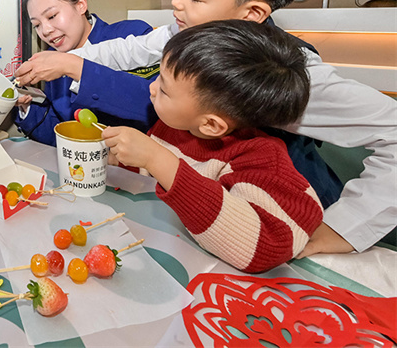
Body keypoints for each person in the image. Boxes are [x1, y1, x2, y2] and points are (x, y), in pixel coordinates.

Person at [17, 0, 397, 257]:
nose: (177, 4)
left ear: (252, 13)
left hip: (287, 220)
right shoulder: (191, 32)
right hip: (219, 214)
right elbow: (126, 51)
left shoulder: (294, 76)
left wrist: (343, 229)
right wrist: (65, 61)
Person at [104, 20, 324, 273]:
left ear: (211, 124)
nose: (151, 89)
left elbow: (264, 248)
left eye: (164, 89)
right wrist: (119, 158)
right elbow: (150, 184)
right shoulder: (175, 127)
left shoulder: (260, 160)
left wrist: (157, 159)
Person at [13, 0, 158, 146]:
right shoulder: (54, 59)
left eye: (52, 16)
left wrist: (75, 67)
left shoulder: (133, 36)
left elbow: (153, 108)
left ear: (81, 5)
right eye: (37, 25)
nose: (45, 31)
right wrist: (26, 105)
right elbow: (58, 134)